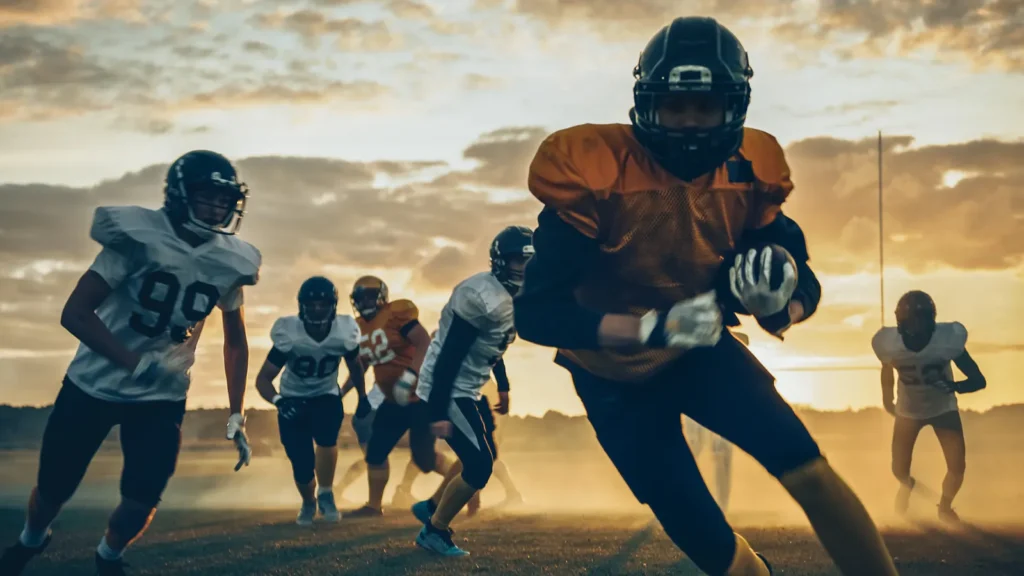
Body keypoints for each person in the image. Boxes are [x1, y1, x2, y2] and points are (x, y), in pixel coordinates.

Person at [514, 16, 899, 576]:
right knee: (718, 550)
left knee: (808, 470)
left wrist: (777, 304)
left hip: (697, 350)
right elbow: (538, 314)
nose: (690, 123)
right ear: (647, 104)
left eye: (705, 107)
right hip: (610, 376)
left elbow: (802, 283)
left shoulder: (750, 169)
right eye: (675, 107)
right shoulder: (593, 169)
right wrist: (647, 329)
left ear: (734, 108)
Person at [0, 150, 261, 576]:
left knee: (143, 497)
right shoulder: (136, 239)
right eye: (207, 196)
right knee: (53, 489)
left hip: (162, 396)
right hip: (92, 384)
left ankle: (109, 555)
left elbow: (236, 341)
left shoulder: (233, 261)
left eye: (224, 199)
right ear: (179, 196)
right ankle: (32, 538)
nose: (218, 207)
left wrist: (236, 412)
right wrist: (132, 361)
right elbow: (76, 313)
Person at [410, 226, 533, 556]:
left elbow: (494, 344)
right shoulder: (481, 295)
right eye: (515, 261)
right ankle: (434, 530)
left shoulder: (523, 296)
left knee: (482, 457)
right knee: (479, 465)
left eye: (529, 261)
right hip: (447, 386)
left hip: (471, 387)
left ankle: (432, 509)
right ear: (499, 261)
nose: (522, 268)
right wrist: (437, 410)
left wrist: (503, 387)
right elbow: (450, 356)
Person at [254, 276, 366, 525]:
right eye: (311, 304)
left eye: (323, 304)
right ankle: (308, 501)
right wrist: (280, 401)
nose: (317, 309)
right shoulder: (289, 334)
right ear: (301, 306)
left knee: (327, 440)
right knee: (301, 461)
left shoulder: (344, 331)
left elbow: (356, 367)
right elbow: (263, 379)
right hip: (293, 398)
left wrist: (362, 397)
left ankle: (326, 493)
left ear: (333, 306)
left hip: (326, 395)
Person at [871, 290, 986, 523]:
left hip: (943, 409)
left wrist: (954, 386)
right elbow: (886, 368)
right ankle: (908, 485)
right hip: (908, 410)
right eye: (912, 321)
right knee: (899, 470)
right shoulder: (889, 344)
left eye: (921, 320)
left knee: (957, 466)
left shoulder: (946, 341)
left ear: (931, 320)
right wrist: (887, 400)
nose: (917, 328)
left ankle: (944, 506)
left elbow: (978, 380)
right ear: (901, 322)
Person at [342, 276, 451, 517]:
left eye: (370, 296)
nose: (364, 302)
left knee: (424, 459)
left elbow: (424, 343)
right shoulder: (359, 327)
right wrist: (343, 392)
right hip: (392, 401)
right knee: (376, 452)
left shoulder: (395, 314)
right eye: (360, 297)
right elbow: (361, 366)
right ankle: (373, 505)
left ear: (381, 296)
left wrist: (410, 376)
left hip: (419, 398)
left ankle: (464, 486)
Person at [684, 331, 747, 513]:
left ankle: (721, 505)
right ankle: (685, 501)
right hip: (697, 405)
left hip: (720, 406)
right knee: (694, 450)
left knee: (721, 454)